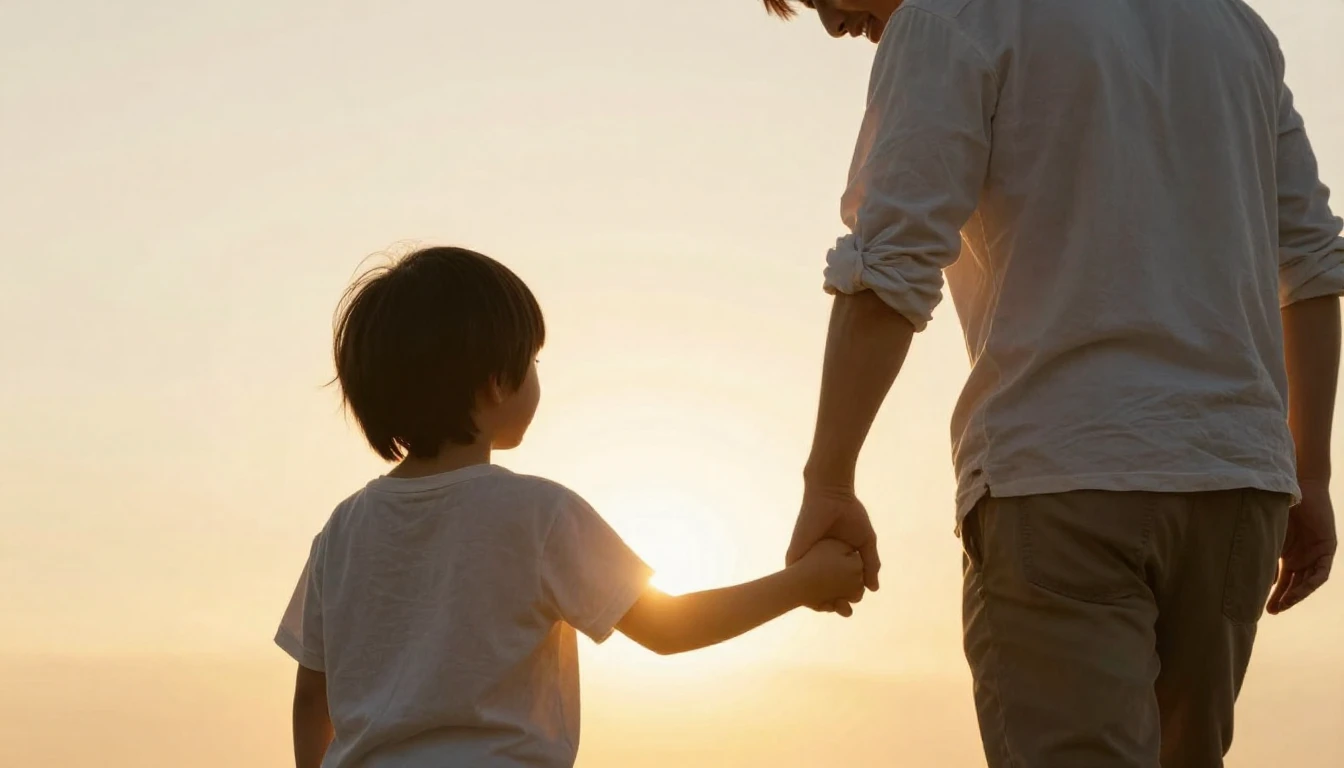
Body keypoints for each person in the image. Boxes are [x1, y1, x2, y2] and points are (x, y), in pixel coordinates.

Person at [764, 0, 1342, 765]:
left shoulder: (949, 18)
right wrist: (1309, 472)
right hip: (1236, 485)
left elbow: (890, 265)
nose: (834, 23)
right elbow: (1309, 265)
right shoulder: (1234, 26)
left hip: (1060, 477)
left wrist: (828, 480)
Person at [274, 246, 865, 768]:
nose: (536, 376)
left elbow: (311, 698)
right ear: (494, 383)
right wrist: (803, 581)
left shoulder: (341, 530)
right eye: (532, 361)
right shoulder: (537, 514)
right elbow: (666, 628)